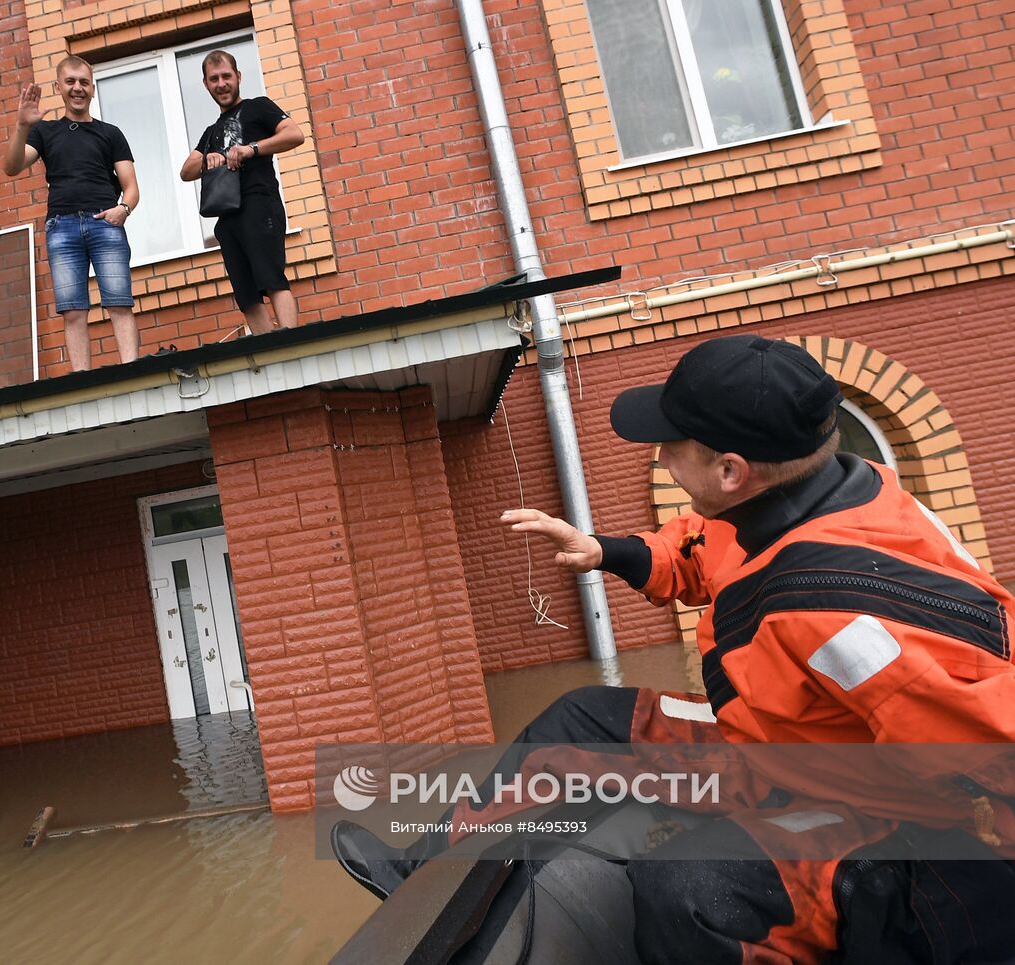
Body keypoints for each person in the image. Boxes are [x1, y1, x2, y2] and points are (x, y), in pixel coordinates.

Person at [333, 334, 1015, 964]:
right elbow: (696, 548)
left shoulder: (849, 611)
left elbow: (991, 742)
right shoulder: (799, 495)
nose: (660, 456)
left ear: (731, 470)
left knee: (687, 890)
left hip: (884, 808)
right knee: (580, 718)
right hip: (782, 742)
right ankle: (423, 870)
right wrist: (605, 550)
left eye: (671, 444)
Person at [4, 55, 140, 371]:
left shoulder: (110, 133)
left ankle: (132, 372)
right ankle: (82, 379)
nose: (77, 88)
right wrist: (22, 126)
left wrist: (123, 210)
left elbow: (131, 186)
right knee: (73, 311)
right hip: (62, 228)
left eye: (84, 82)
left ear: (92, 89)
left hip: (105, 223)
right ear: (58, 87)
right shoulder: (44, 131)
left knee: (119, 302)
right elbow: (11, 167)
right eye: (70, 82)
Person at [179, 50, 304, 334]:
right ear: (206, 84)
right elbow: (186, 171)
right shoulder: (211, 131)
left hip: (259, 205)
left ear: (238, 76)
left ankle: (291, 344)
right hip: (227, 217)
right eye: (214, 79)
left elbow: (294, 134)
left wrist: (252, 148)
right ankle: (267, 349)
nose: (221, 84)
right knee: (246, 296)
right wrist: (208, 159)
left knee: (272, 279)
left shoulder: (258, 107)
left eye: (226, 76)